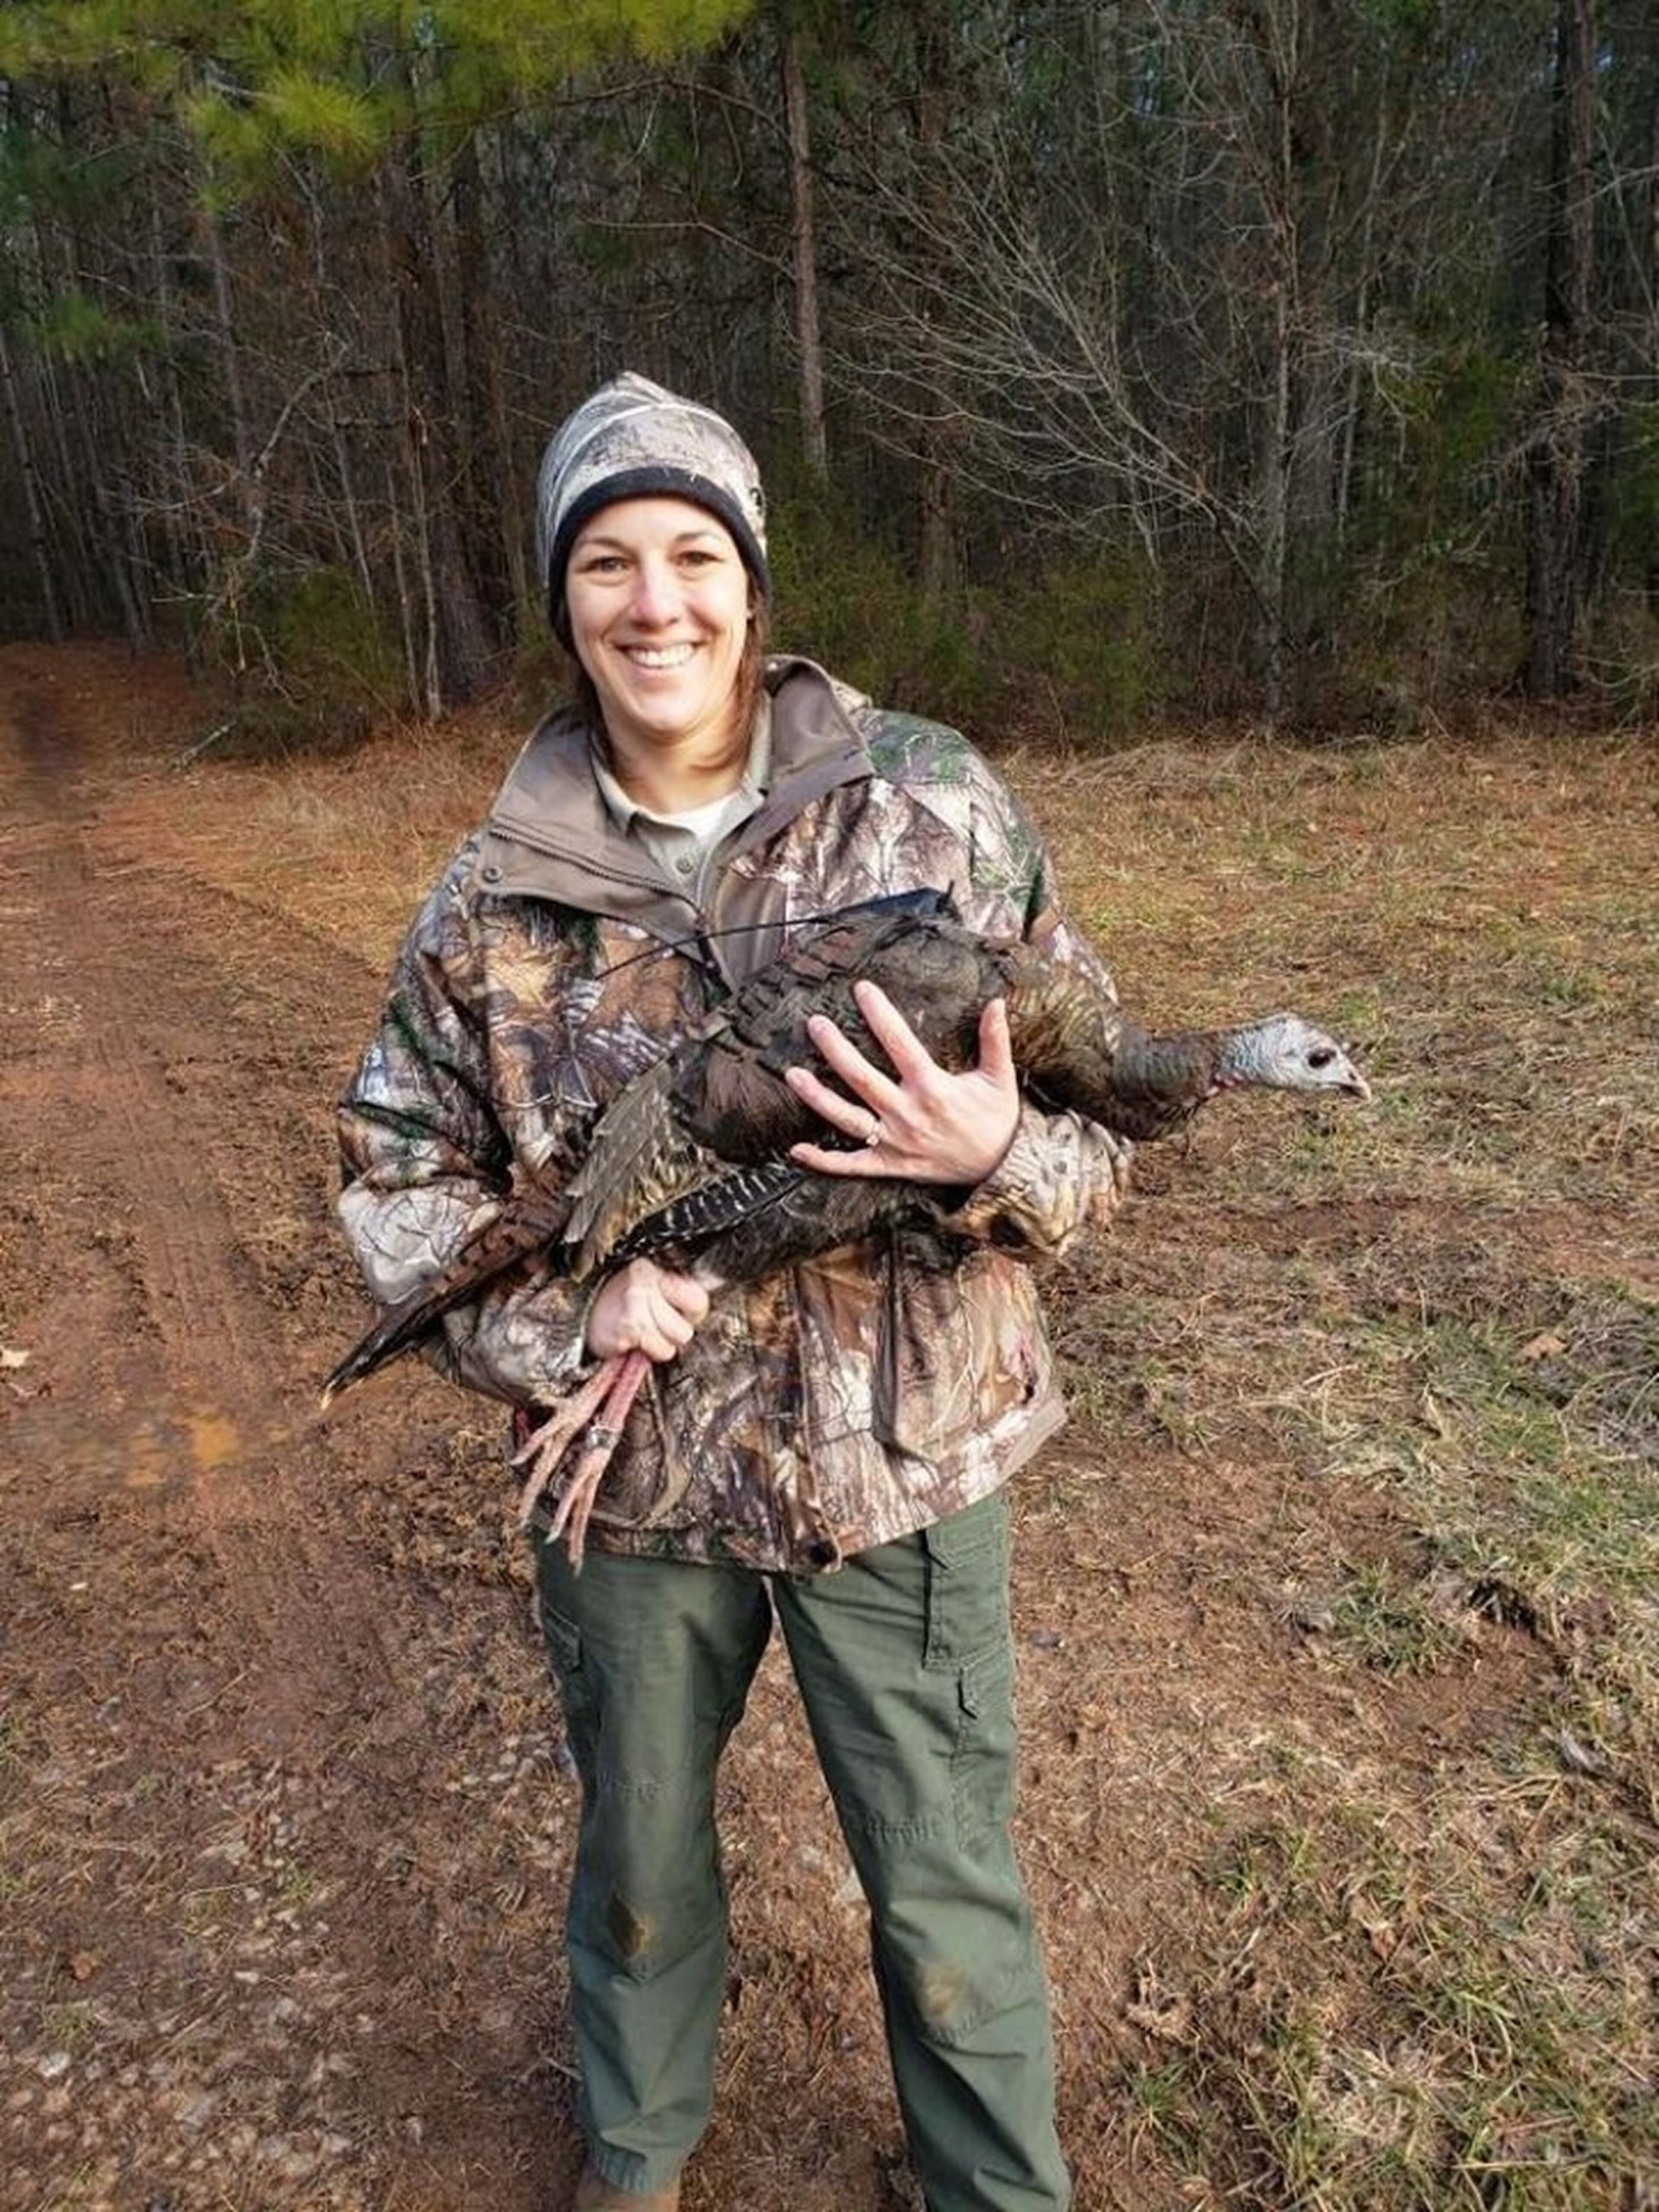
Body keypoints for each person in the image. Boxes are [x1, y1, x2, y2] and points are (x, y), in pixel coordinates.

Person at [336, 372, 1132, 2212]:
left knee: (943, 1880)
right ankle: (635, 2162)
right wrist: (567, 1324)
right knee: (639, 1867)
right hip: (630, 1486)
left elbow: (1106, 1123)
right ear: (563, 599)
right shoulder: (490, 899)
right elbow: (391, 1179)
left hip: (903, 1464)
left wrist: (992, 1151)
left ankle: (993, 2190)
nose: (656, 603)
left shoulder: (933, 806)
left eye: (694, 553)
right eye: (606, 560)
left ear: (752, 581)